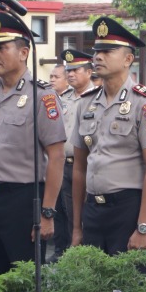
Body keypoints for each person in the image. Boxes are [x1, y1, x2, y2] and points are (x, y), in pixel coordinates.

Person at [0, 12, 66, 274]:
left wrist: (47, 214)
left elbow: (56, 157)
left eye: (1, 48)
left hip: (22, 201)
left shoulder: (42, 96)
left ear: (23, 53)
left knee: (24, 285)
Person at [73, 16, 146, 255]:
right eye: (96, 51)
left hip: (128, 209)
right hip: (92, 209)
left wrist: (143, 227)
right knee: (93, 289)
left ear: (128, 59)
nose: (98, 57)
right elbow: (79, 167)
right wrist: (76, 226)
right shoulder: (86, 103)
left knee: (129, 290)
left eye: (107, 51)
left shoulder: (145, 103)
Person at [53, 48, 94, 261]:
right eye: (68, 70)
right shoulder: (63, 97)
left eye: (76, 70)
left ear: (89, 72)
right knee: (63, 212)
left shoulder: (96, 97)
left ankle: (80, 256)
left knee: (81, 212)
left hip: (86, 165)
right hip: (63, 163)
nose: (70, 74)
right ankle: (65, 252)